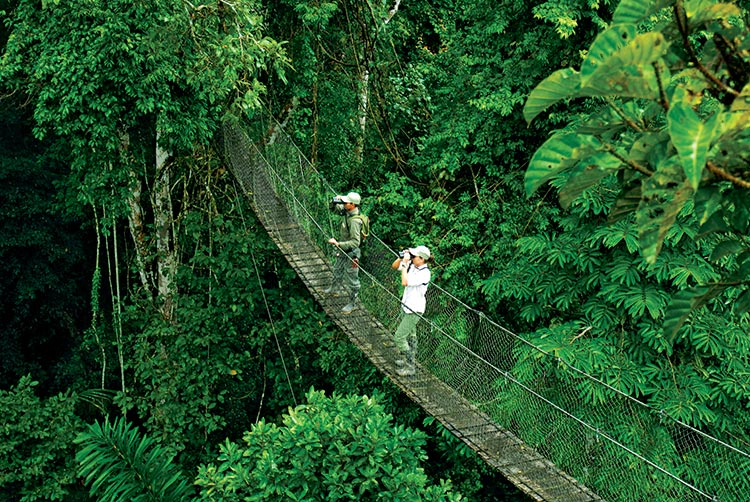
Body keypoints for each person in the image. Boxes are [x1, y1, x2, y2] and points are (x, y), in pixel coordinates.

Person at [390, 245, 431, 376]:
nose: (413, 258)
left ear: (422, 259)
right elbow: (395, 267)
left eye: (415, 256)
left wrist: (406, 264)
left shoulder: (425, 273)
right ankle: (407, 360)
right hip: (406, 305)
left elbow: (405, 282)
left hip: (415, 309)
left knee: (399, 337)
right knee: (411, 336)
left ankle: (410, 364)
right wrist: (402, 258)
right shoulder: (413, 265)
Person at [324, 191, 363, 313]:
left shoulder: (355, 221)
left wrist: (338, 244)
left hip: (352, 253)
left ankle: (353, 303)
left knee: (352, 279)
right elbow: (333, 209)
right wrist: (335, 200)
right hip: (343, 250)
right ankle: (334, 290)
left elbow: (355, 242)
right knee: (337, 269)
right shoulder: (347, 211)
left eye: (346, 202)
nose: (344, 203)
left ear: (353, 204)